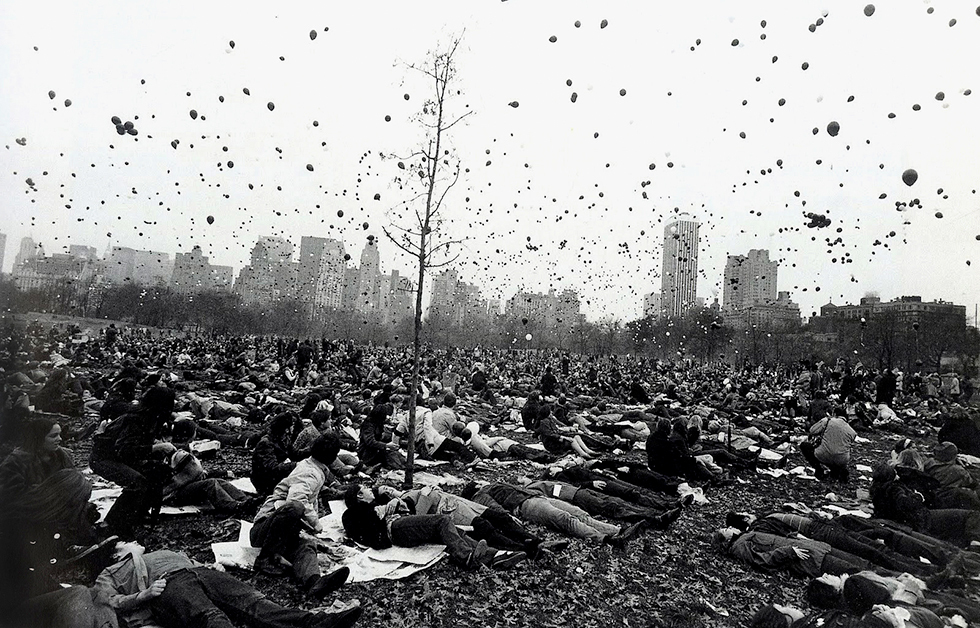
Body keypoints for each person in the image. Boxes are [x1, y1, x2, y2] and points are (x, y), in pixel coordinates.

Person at [94, 542, 361, 628]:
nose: (132, 541)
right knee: (212, 617)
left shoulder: (165, 551)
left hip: (198, 572)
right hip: (167, 586)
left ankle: (316, 623)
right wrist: (142, 595)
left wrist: (210, 567)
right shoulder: (112, 571)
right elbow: (104, 602)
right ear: (119, 554)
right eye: (124, 542)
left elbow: (195, 562)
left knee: (253, 601)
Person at [250, 434, 351, 599]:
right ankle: (265, 558)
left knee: (306, 546)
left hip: (282, 533)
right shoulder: (310, 472)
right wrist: (315, 522)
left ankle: (314, 582)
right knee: (295, 507)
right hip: (264, 530)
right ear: (332, 457)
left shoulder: (314, 467)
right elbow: (296, 500)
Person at [341, 484, 526, 570]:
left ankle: (495, 556)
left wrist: (395, 504)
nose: (369, 489)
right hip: (394, 529)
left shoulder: (379, 502)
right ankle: (466, 557)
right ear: (359, 495)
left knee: (453, 531)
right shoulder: (352, 513)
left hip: (401, 523)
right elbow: (364, 533)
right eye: (364, 487)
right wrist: (378, 514)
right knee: (442, 521)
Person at [90, 386, 176, 538]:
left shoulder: (152, 417)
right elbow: (124, 449)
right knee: (137, 482)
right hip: (104, 458)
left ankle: (136, 516)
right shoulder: (135, 418)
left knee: (158, 473)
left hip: (121, 457)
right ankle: (112, 525)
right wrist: (156, 447)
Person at [461, 481, 644, 549]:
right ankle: (605, 539)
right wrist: (509, 517)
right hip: (526, 505)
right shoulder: (480, 495)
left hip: (536, 497)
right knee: (564, 519)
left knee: (579, 513)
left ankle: (619, 530)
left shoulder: (493, 485)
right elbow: (494, 507)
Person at [713, 526, 880, 579]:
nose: (730, 527)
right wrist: (789, 551)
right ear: (726, 540)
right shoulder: (739, 547)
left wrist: (796, 538)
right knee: (857, 571)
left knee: (862, 563)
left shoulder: (745, 536)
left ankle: (900, 579)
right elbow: (763, 560)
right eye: (726, 529)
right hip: (810, 559)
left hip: (816, 548)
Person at [522, 478, 682, 529]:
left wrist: (589, 483)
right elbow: (550, 501)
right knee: (613, 508)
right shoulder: (529, 489)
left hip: (580, 490)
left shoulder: (542, 479)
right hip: (575, 498)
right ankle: (656, 521)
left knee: (616, 502)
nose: (522, 478)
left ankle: (658, 513)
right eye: (521, 480)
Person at [250, 412, 298, 495]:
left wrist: (313, 450)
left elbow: (295, 454)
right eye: (292, 425)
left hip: (275, 476)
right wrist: (295, 465)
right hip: (264, 481)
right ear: (286, 428)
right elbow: (272, 468)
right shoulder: (266, 443)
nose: (293, 427)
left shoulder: (284, 438)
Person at [799, 413, 856, 482]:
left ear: (835, 414)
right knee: (837, 456)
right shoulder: (852, 432)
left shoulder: (827, 421)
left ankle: (818, 469)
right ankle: (838, 471)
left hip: (823, 455)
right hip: (841, 459)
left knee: (805, 446)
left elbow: (812, 430)